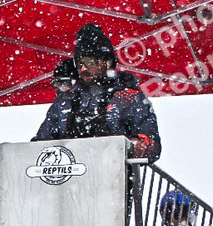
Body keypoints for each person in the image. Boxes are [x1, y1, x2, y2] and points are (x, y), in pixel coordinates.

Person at [34, 24, 161, 160]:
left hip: (114, 171)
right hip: (71, 171)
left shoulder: (129, 98)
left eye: (90, 62)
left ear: (107, 61)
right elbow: (40, 144)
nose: (83, 69)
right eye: (79, 63)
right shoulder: (65, 101)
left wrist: (137, 145)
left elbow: (152, 145)